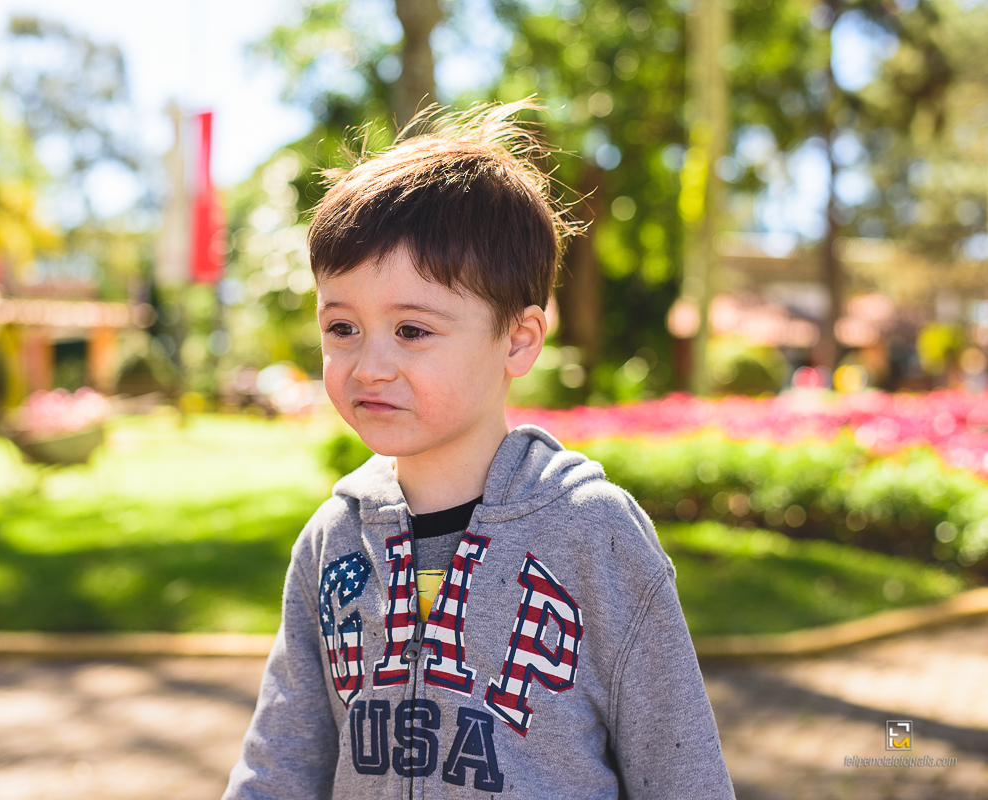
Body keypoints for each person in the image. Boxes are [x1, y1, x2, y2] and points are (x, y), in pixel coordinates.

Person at [222, 101, 735, 799]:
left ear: (519, 340)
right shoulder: (331, 543)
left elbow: (683, 775)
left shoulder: (595, 536)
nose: (369, 364)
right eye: (342, 327)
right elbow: (278, 766)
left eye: (412, 331)